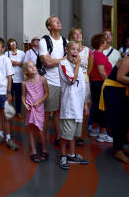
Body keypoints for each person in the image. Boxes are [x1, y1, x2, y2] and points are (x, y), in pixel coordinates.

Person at [58, 41, 88, 170]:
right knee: (66, 134)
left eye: (77, 50)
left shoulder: (78, 66)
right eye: (73, 49)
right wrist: (77, 65)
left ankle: (72, 154)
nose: (75, 52)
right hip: (69, 106)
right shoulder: (63, 64)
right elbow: (71, 80)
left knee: (74, 134)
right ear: (67, 50)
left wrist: (85, 104)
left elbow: (81, 87)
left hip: (78, 106)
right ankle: (63, 155)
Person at [39, 16, 66, 146]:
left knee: (59, 112)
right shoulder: (45, 41)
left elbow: (52, 61)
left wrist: (53, 61)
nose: (59, 22)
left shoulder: (65, 41)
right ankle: (42, 140)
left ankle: (59, 136)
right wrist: (63, 60)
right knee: (46, 112)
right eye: (55, 21)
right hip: (50, 81)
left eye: (58, 20)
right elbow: (46, 62)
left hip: (63, 81)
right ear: (49, 26)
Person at [0, 38, 18, 150]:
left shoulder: (6, 60)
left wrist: (9, 92)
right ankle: (0, 135)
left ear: (3, 48)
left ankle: (8, 138)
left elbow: (10, 77)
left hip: (3, 92)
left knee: (6, 116)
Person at [68, 27, 92, 146]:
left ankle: (80, 135)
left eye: (79, 34)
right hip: (71, 80)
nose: (78, 36)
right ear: (71, 37)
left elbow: (90, 68)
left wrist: (84, 77)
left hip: (85, 81)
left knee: (84, 109)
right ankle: (71, 134)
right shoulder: (68, 49)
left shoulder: (88, 51)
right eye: (75, 34)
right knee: (72, 107)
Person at [22, 61, 49, 163]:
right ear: (26, 71)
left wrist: (39, 102)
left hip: (39, 108)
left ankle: (44, 149)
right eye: (30, 67)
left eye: (33, 65)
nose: (33, 68)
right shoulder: (24, 83)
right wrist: (25, 104)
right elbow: (23, 96)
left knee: (40, 130)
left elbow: (47, 93)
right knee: (31, 129)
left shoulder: (42, 80)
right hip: (29, 109)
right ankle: (33, 150)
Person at [89, 34, 113, 143]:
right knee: (103, 108)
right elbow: (102, 71)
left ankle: (94, 129)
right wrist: (108, 83)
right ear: (102, 43)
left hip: (96, 83)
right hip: (101, 83)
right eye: (105, 41)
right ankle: (103, 133)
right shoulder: (99, 54)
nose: (107, 43)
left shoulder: (95, 54)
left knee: (97, 106)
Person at [5, 38, 25, 118]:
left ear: (16, 44)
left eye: (14, 43)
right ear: (9, 45)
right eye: (11, 43)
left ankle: (18, 112)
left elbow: (25, 65)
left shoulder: (22, 53)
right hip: (10, 79)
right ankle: (10, 111)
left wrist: (17, 63)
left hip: (19, 78)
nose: (13, 44)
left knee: (19, 96)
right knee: (10, 96)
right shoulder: (6, 53)